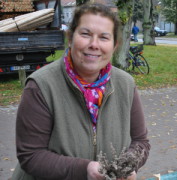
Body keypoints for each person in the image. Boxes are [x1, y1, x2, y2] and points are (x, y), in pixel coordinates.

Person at [12, 3, 150, 180]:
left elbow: (141, 141)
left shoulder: (126, 84)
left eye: (104, 37)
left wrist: (128, 166)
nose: (94, 44)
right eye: (85, 34)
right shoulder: (41, 85)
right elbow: (30, 155)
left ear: (114, 45)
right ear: (70, 38)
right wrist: (84, 169)